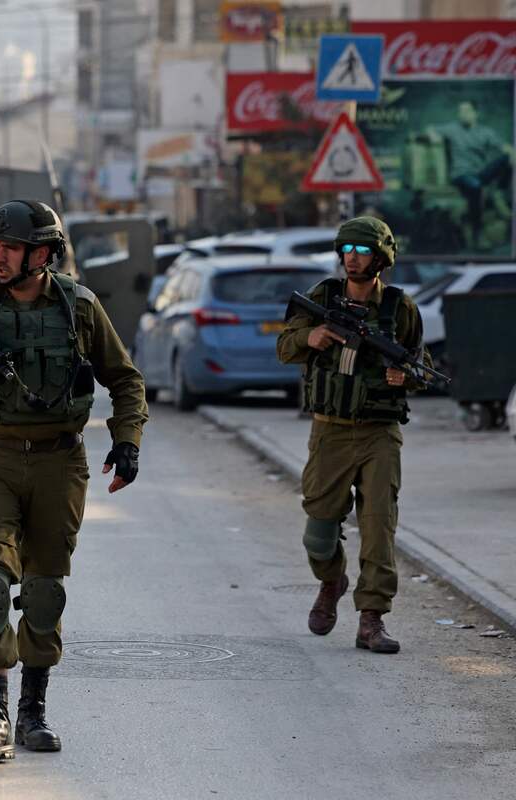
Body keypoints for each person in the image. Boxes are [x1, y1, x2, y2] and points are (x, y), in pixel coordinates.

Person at [0, 200, 147, 761]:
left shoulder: (80, 309)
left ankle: (32, 714)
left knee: (44, 590)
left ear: (42, 254)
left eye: (10, 248)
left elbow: (126, 380)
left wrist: (127, 443)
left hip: (59, 463)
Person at [276, 216, 431, 655]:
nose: (352, 259)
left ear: (381, 259)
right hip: (330, 432)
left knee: (379, 525)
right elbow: (285, 348)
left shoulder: (401, 309)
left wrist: (407, 378)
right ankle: (331, 581)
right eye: (347, 251)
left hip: (380, 433)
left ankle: (371, 619)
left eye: (362, 251)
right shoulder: (321, 298)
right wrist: (313, 335)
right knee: (318, 534)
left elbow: (421, 365)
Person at [426, 100, 514, 249]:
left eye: (467, 111)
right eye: (460, 111)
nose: (463, 114)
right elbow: (430, 128)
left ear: (475, 114)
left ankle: (499, 192)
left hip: (480, 172)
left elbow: (503, 146)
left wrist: (511, 152)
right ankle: (477, 232)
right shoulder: (452, 129)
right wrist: (434, 136)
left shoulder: (485, 132)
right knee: (476, 187)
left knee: (508, 158)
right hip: (461, 174)